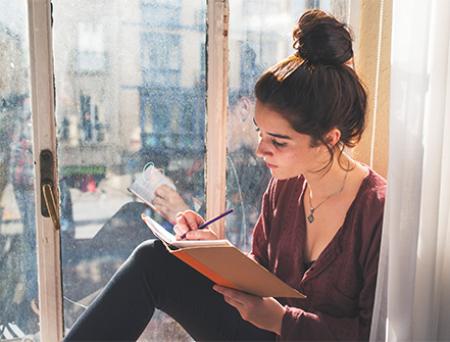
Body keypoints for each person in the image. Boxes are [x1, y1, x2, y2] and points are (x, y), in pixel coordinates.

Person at [64, 9, 386, 341]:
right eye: (260, 133)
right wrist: (212, 253)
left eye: (278, 141)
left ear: (329, 138)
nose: (262, 150)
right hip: (262, 332)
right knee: (154, 259)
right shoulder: (285, 189)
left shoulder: (376, 210)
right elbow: (261, 272)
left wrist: (282, 321)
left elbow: (371, 333)